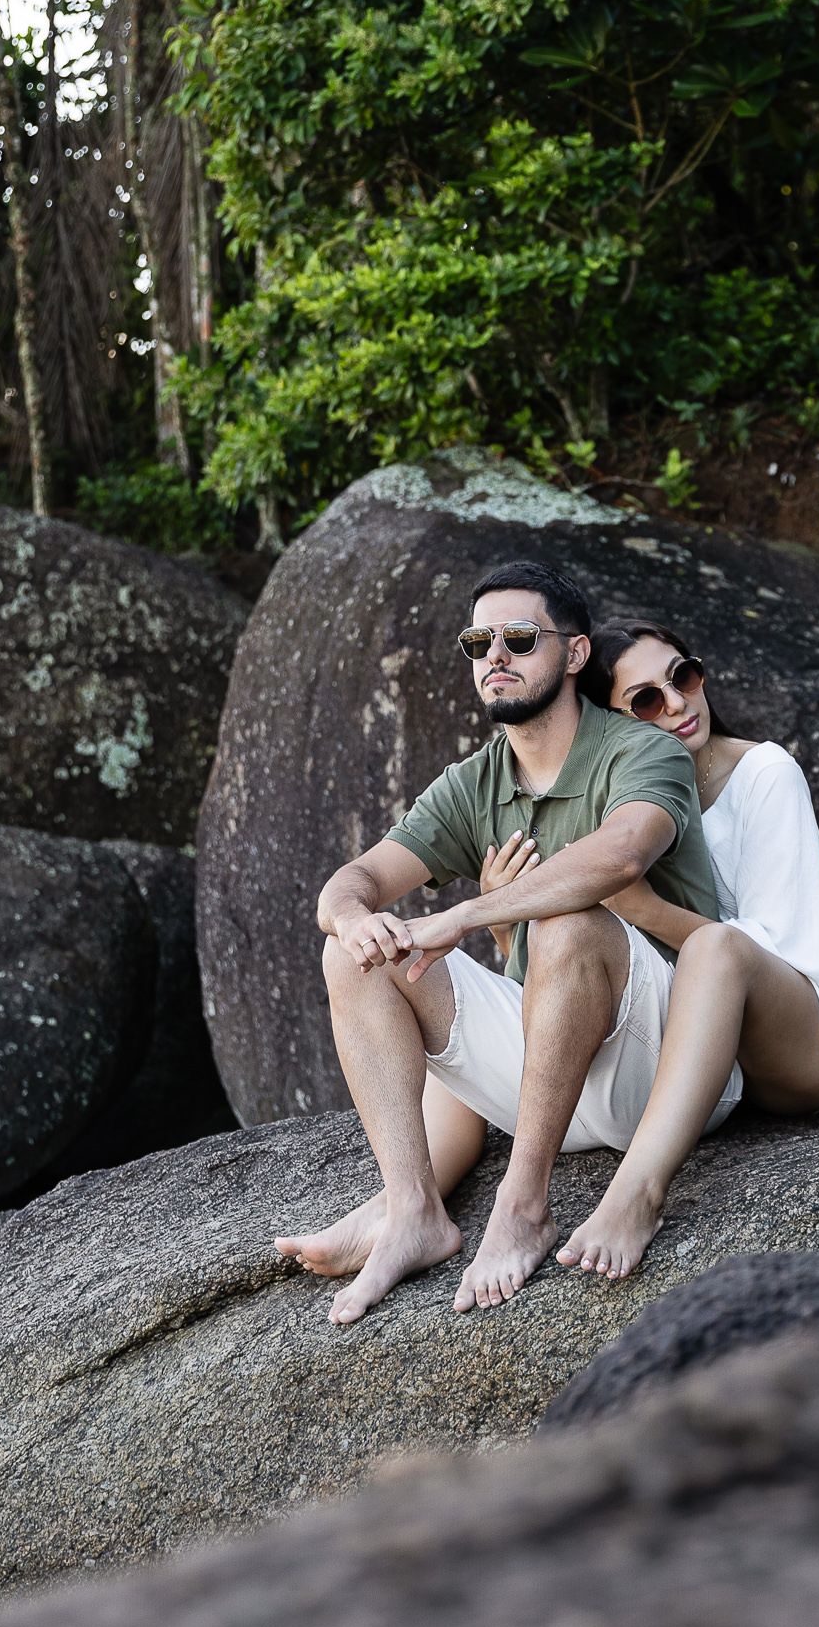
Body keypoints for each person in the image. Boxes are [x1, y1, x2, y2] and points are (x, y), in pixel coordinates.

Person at [276, 560, 735, 1325]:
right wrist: (353, 918)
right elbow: (352, 882)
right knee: (352, 955)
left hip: (667, 1064)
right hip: (552, 1078)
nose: (494, 656)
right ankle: (413, 1210)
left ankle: (523, 1206)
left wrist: (466, 915)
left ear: (576, 653)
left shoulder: (640, 751)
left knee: (569, 920)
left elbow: (622, 856)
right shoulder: (474, 783)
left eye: (519, 639)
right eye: (477, 643)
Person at [494, 619, 819, 1281]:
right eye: (646, 700)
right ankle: (405, 1205)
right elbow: (569, 977)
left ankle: (638, 1193)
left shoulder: (764, 773)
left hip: (805, 1045)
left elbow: (788, 953)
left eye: (684, 676)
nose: (678, 703)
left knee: (717, 948)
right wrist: (506, 919)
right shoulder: (615, 810)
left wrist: (643, 907)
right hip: (708, 1069)